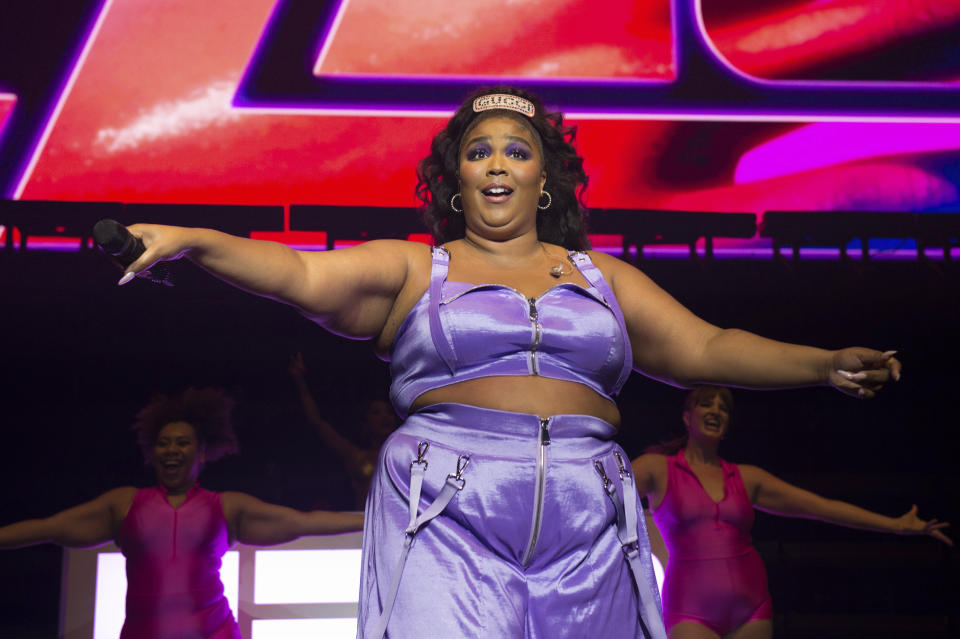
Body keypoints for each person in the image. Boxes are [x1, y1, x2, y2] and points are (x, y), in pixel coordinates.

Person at [113, 86, 900, 639]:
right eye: (479, 151)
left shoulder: (602, 276)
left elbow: (707, 346)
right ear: (456, 178)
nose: (497, 164)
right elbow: (302, 275)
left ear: (543, 177)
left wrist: (823, 362)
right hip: (450, 505)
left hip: (588, 509)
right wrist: (196, 239)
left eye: (516, 151)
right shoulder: (422, 268)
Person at [0, 388, 364, 639]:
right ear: (151, 451)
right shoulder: (125, 504)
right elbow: (47, 528)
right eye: (163, 442)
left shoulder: (225, 506)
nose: (171, 449)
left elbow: (302, 522)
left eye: (182, 442)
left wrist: (373, 520)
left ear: (202, 452)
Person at [631, 386, 951, 639]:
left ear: (728, 424)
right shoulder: (659, 470)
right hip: (690, 609)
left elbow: (821, 507)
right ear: (687, 417)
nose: (716, 411)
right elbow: (601, 491)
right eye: (707, 404)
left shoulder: (747, 477)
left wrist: (895, 525)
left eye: (723, 407)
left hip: (751, 608)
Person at [288, 352, 397, 509]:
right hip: (361, 525)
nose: (384, 417)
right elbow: (317, 421)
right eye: (376, 412)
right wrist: (299, 381)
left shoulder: (410, 452)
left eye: (388, 412)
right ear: (366, 421)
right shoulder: (355, 456)